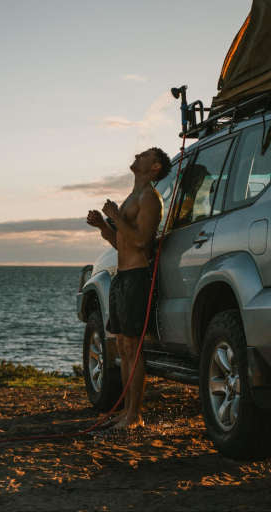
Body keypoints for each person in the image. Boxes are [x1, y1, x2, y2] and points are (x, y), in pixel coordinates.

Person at [86, 147, 171, 429]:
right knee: (122, 346)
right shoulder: (132, 198)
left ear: (155, 167)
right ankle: (126, 412)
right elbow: (120, 243)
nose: (138, 154)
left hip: (137, 278)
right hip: (121, 277)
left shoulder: (150, 199)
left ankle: (135, 415)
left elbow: (141, 242)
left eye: (145, 154)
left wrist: (115, 216)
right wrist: (103, 225)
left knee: (133, 347)